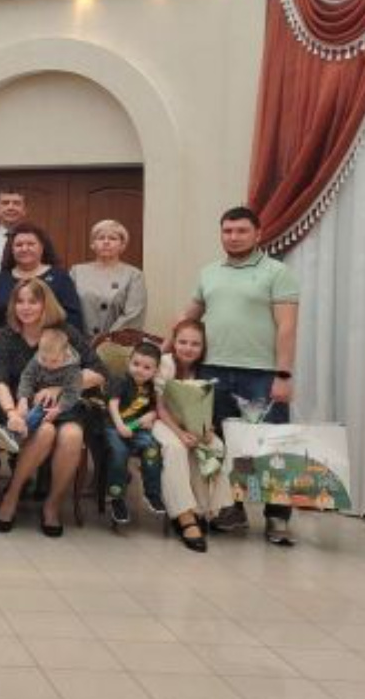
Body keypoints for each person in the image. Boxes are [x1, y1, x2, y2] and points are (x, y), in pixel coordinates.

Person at [179, 206, 300, 547]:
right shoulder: (209, 272)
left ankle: (277, 518)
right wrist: (165, 346)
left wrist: (284, 374)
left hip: (261, 373)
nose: (233, 237)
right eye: (227, 231)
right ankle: (230, 510)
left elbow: (287, 327)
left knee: (271, 445)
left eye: (241, 231)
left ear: (258, 234)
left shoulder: (278, 272)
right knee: (218, 444)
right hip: (213, 370)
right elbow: (190, 316)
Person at [0, 279, 106, 537]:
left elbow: (99, 372)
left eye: (33, 301)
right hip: (22, 408)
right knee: (45, 432)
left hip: (65, 406)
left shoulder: (65, 332)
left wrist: (59, 389)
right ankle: (12, 495)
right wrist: (11, 411)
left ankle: (52, 504)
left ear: (46, 304)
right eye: (20, 301)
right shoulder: (6, 336)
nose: (25, 307)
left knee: (72, 435)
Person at [153, 319, 225, 553]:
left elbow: (206, 408)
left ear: (203, 347)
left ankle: (200, 509)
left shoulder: (204, 370)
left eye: (195, 344)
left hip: (192, 424)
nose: (188, 348)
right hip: (162, 420)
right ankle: (184, 516)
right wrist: (180, 433)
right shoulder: (165, 364)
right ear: (174, 342)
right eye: (183, 342)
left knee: (214, 445)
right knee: (176, 447)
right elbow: (160, 407)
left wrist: (206, 430)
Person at [103, 342, 166, 526]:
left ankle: (152, 493)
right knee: (119, 453)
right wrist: (120, 425)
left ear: (155, 371)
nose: (140, 370)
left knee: (152, 447)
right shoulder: (120, 380)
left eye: (147, 367)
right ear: (129, 362)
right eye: (136, 364)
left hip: (136, 428)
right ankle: (116, 498)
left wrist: (151, 416)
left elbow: (154, 409)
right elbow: (113, 404)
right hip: (113, 426)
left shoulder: (151, 387)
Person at [0, 224, 85, 332]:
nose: (24, 249)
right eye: (18, 245)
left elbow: (73, 318)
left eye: (31, 244)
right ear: (12, 250)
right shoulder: (3, 278)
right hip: (7, 340)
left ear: (42, 247)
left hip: (50, 340)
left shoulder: (59, 277)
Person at [70, 219, 148, 340]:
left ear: (122, 245)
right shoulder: (76, 272)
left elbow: (133, 315)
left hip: (116, 344)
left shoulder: (134, 275)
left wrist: (105, 340)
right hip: (79, 343)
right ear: (92, 244)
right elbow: (68, 309)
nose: (106, 242)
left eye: (113, 238)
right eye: (101, 238)